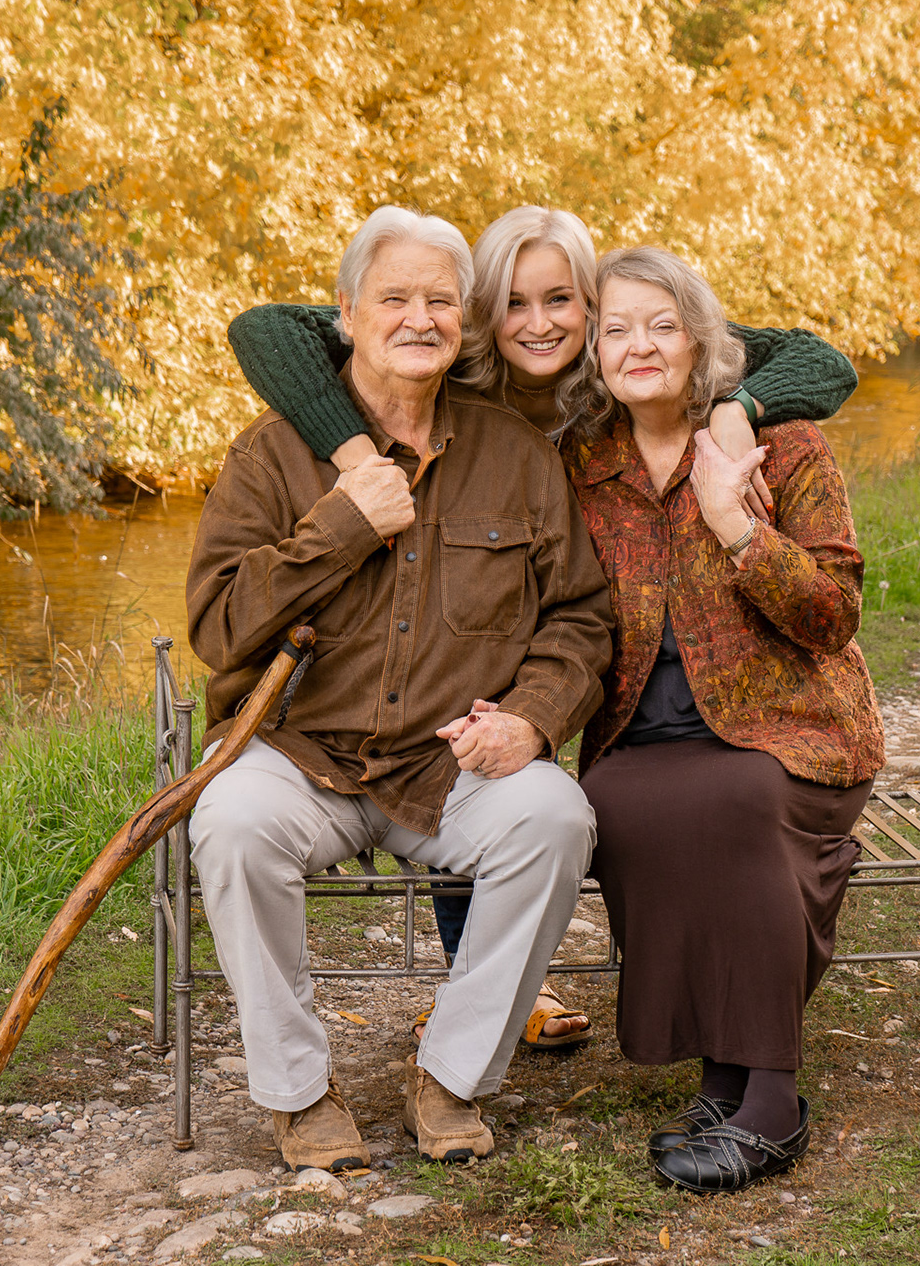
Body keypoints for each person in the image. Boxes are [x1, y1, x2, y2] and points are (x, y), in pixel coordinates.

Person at [226, 206, 859, 1047]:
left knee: (534, 747)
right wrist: (356, 458)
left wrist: (737, 407)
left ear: (591, 306)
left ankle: (523, 984)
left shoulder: (622, 352)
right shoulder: (453, 362)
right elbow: (267, 329)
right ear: (481, 311)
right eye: (513, 303)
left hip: (578, 580)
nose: (538, 323)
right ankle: (482, 984)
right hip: (470, 591)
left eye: (560, 300)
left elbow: (820, 360)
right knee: (462, 707)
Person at [184, 206, 614, 1172]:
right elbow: (216, 626)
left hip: (450, 764)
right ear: (346, 313)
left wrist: (532, 720)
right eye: (394, 299)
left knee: (554, 818)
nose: (419, 318)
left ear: (464, 320)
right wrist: (341, 522)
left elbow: (581, 617)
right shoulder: (272, 453)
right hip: (301, 756)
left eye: (439, 301)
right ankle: (300, 1095)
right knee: (233, 823)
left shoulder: (517, 452)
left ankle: (451, 1076)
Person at [563, 247, 886, 1194]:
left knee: (735, 797)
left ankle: (769, 1103)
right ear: (593, 351)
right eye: (617, 329)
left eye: (662, 325)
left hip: (793, 732)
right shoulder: (583, 464)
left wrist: (739, 529)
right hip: (644, 739)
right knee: (618, 802)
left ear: (703, 341)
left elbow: (834, 616)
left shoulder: (785, 446)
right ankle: (722, 1078)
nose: (640, 346)